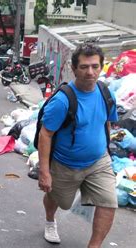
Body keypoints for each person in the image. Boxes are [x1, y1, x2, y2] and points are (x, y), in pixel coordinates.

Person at [38, 44, 118, 247]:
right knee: (60, 200)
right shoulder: (63, 100)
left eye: (95, 66)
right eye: (84, 67)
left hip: (99, 161)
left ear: (101, 67)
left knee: (108, 202)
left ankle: (94, 245)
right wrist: (45, 172)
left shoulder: (106, 93)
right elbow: (46, 134)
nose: (90, 72)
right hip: (65, 164)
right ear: (74, 69)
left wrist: (107, 152)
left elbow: (106, 123)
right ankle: (50, 219)